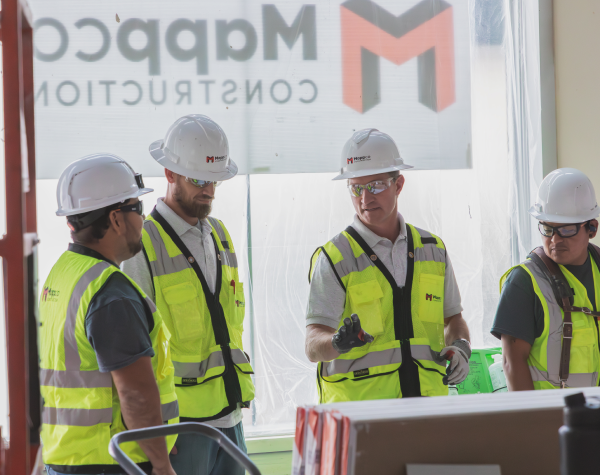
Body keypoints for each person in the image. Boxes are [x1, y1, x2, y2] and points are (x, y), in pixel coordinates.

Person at [122, 115, 254, 475]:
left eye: (215, 180)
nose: (208, 190)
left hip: (230, 418)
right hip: (179, 427)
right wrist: (154, 429)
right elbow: (135, 351)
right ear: (169, 174)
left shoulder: (221, 235)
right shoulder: (142, 246)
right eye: (198, 179)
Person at [305, 128, 471, 403]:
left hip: (427, 406)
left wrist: (461, 346)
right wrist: (336, 343)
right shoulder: (335, 258)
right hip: (362, 415)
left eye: (376, 186)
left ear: (399, 184)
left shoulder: (432, 250)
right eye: (356, 188)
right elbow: (313, 346)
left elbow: (453, 319)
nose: (365, 198)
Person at [40, 154, 179, 475]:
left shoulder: (62, 274)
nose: (143, 220)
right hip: (113, 462)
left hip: (66, 457)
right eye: (138, 209)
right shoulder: (110, 293)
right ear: (116, 219)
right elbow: (136, 394)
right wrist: (161, 464)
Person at [491, 168, 600, 390]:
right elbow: (512, 364)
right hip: (551, 419)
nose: (554, 240)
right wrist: (532, 423)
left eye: (566, 229)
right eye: (547, 228)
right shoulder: (523, 281)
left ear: (592, 228)